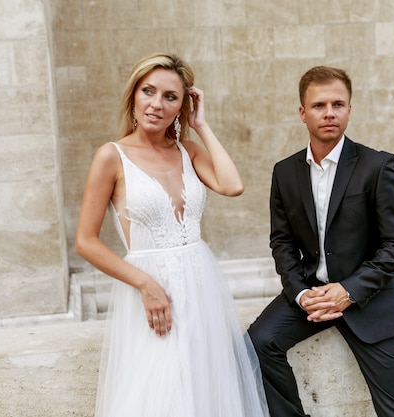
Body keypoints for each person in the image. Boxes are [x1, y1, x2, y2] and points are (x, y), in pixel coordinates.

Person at [75, 52, 269, 417]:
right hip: (151, 294)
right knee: (162, 397)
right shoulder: (111, 157)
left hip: (201, 289)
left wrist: (202, 127)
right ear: (133, 96)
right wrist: (146, 285)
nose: (156, 104)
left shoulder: (189, 151)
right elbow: (86, 241)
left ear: (182, 105)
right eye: (148, 91)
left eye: (170, 96)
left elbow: (232, 185)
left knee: (205, 390)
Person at [248, 66, 394, 417]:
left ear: (349, 109)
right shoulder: (285, 172)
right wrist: (299, 293)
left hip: (369, 300)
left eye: (338, 104)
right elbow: (281, 242)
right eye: (319, 105)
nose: (329, 113)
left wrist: (349, 290)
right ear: (302, 112)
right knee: (258, 343)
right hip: (310, 296)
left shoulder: (378, 165)